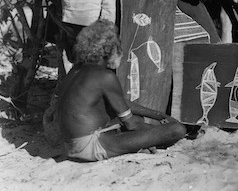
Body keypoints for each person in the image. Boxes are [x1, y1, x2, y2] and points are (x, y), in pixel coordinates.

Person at [57, 19, 188, 162]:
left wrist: (159, 115)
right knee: (176, 130)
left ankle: (137, 145)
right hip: (90, 146)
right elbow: (131, 124)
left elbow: (121, 103)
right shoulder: (105, 76)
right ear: (110, 49)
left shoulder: (76, 70)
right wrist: (153, 133)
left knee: (138, 121)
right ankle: (139, 146)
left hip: (69, 145)